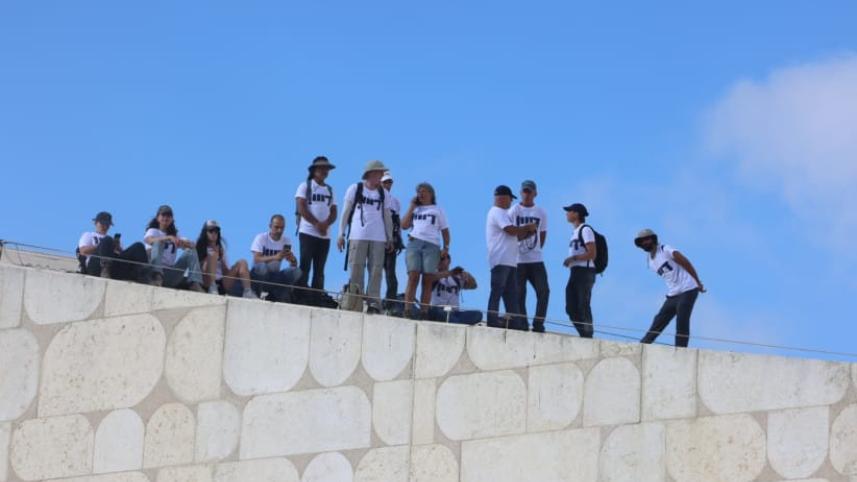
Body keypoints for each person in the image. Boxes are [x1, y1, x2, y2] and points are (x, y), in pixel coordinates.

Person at [337, 160, 394, 314]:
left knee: (376, 270)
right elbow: (346, 212)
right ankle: (355, 301)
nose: (382, 176)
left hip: (379, 237)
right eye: (380, 173)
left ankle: (374, 302)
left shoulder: (384, 193)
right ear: (371, 173)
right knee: (356, 268)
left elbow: (387, 216)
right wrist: (341, 234)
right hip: (357, 235)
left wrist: (390, 238)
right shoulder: (355, 189)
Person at [635, 229, 705, 347]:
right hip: (673, 294)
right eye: (642, 241)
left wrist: (697, 282)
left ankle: (680, 349)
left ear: (653, 239)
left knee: (682, 319)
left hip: (688, 288)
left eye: (647, 239)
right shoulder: (650, 261)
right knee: (659, 319)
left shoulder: (665, 249)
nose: (645, 242)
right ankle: (643, 345)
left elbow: (686, 262)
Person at [485, 185, 538, 330]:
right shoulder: (497, 212)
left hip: (509, 260)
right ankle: (492, 319)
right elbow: (510, 230)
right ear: (504, 197)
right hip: (501, 259)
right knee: (498, 290)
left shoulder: (502, 213)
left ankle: (515, 322)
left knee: (511, 294)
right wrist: (528, 228)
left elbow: (514, 235)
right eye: (510, 199)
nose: (510, 203)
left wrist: (528, 233)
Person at [401, 182, 450, 319]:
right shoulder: (415, 209)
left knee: (427, 279)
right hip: (414, 242)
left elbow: (445, 231)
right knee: (413, 276)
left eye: (423, 191)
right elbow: (403, 225)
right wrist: (411, 207)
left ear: (431, 194)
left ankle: (424, 311)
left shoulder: (438, 210)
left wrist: (446, 247)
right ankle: (408, 309)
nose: (420, 194)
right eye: (418, 192)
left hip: (432, 245)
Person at [295, 156, 338, 303]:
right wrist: (316, 224)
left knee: (320, 269)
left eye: (326, 169)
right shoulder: (305, 186)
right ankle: (300, 296)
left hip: (324, 235)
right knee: (305, 266)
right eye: (321, 168)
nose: (324, 171)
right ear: (314, 170)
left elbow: (334, 211)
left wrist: (326, 224)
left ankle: (316, 297)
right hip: (307, 231)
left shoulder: (330, 190)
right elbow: (301, 206)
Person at [509, 180, 549, 333]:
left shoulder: (541, 212)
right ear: (521, 193)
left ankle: (538, 323)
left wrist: (536, 247)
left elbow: (543, 235)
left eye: (529, 191)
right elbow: (510, 232)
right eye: (524, 191)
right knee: (519, 293)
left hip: (536, 259)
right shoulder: (514, 211)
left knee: (544, 291)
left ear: (535, 193)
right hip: (518, 259)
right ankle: (523, 324)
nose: (527, 194)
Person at [144, 205, 204, 291]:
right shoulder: (153, 231)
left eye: (168, 215)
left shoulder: (175, 236)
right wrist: (167, 238)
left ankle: (194, 282)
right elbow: (148, 240)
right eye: (163, 215)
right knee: (158, 242)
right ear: (158, 218)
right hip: (153, 272)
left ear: (172, 219)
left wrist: (185, 243)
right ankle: (157, 276)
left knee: (190, 252)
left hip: (170, 275)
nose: (165, 218)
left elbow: (192, 246)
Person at [77, 211, 148, 281]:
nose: (105, 227)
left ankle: (145, 275)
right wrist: (100, 246)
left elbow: (121, 256)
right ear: (96, 223)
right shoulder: (88, 235)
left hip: (114, 266)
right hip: (96, 266)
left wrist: (118, 248)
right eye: (102, 224)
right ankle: (105, 268)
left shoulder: (112, 240)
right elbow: (83, 251)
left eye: (107, 225)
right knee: (107, 239)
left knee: (138, 246)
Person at [196, 220, 257, 299]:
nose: (214, 233)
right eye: (211, 231)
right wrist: (211, 257)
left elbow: (225, 271)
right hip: (206, 281)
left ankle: (247, 292)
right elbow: (199, 268)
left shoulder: (221, 250)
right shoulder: (200, 248)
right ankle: (212, 286)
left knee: (242, 262)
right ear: (205, 232)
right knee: (213, 255)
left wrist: (223, 262)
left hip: (221, 283)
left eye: (216, 231)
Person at [562, 203, 596, 338]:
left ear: (576, 214)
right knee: (570, 307)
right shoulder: (575, 232)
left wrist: (573, 258)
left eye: (569, 211)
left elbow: (592, 254)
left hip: (585, 272)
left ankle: (588, 334)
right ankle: (584, 333)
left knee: (583, 304)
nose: (567, 214)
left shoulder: (585, 230)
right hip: (575, 272)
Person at [250, 214, 302, 302]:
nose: (279, 230)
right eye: (276, 227)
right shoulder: (261, 238)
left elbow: (294, 265)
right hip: (259, 276)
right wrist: (275, 257)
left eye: (282, 228)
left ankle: (277, 295)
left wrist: (292, 259)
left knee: (296, 271)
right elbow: (256, 259)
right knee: (262, 267)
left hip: (275, 276)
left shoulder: (286, 240)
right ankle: (257, 293)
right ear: (270, 226)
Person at [426, 252, 482, 324]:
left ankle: (455, 322)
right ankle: (457, 323)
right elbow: (431, 279)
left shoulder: (456, 278)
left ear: (449, 261)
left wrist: (468, 276)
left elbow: (474, 286)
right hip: (439, 310)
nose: (439, 261)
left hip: (455, 313)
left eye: (442, 259)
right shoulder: (432, 274)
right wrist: (451, 272)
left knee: (478, 314)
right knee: (435, 311)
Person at [381, 172, 405, 314]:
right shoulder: (376, 197)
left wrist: (399, 240)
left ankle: (390, 302)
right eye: (385, 182)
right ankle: (371, 299)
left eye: (389, 182)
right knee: (374, 270)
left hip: (391, 241)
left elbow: (397, 222)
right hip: (377, 239)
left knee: (390, 273)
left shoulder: (395, 201)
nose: (387, 185)